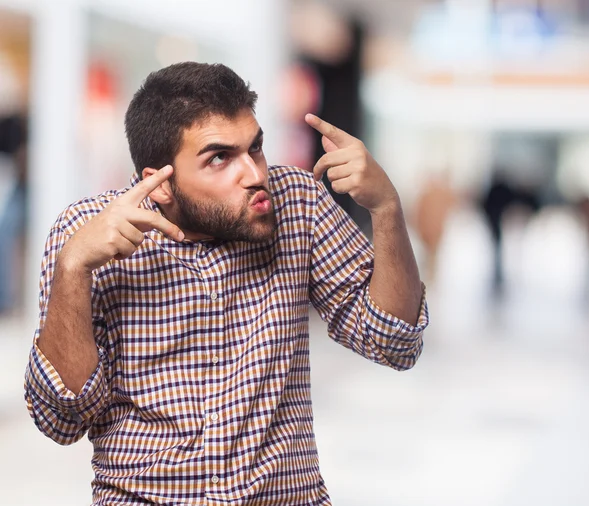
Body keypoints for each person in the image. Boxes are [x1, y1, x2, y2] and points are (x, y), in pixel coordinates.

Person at [24, 62, 428, 505]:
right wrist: (72, 271)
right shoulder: (86, 231)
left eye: (254, 148)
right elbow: (60, 421)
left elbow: (394, 341)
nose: (254, 174)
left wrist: (386, 208)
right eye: (220, 158)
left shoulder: (298, 201)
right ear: (159, 185)